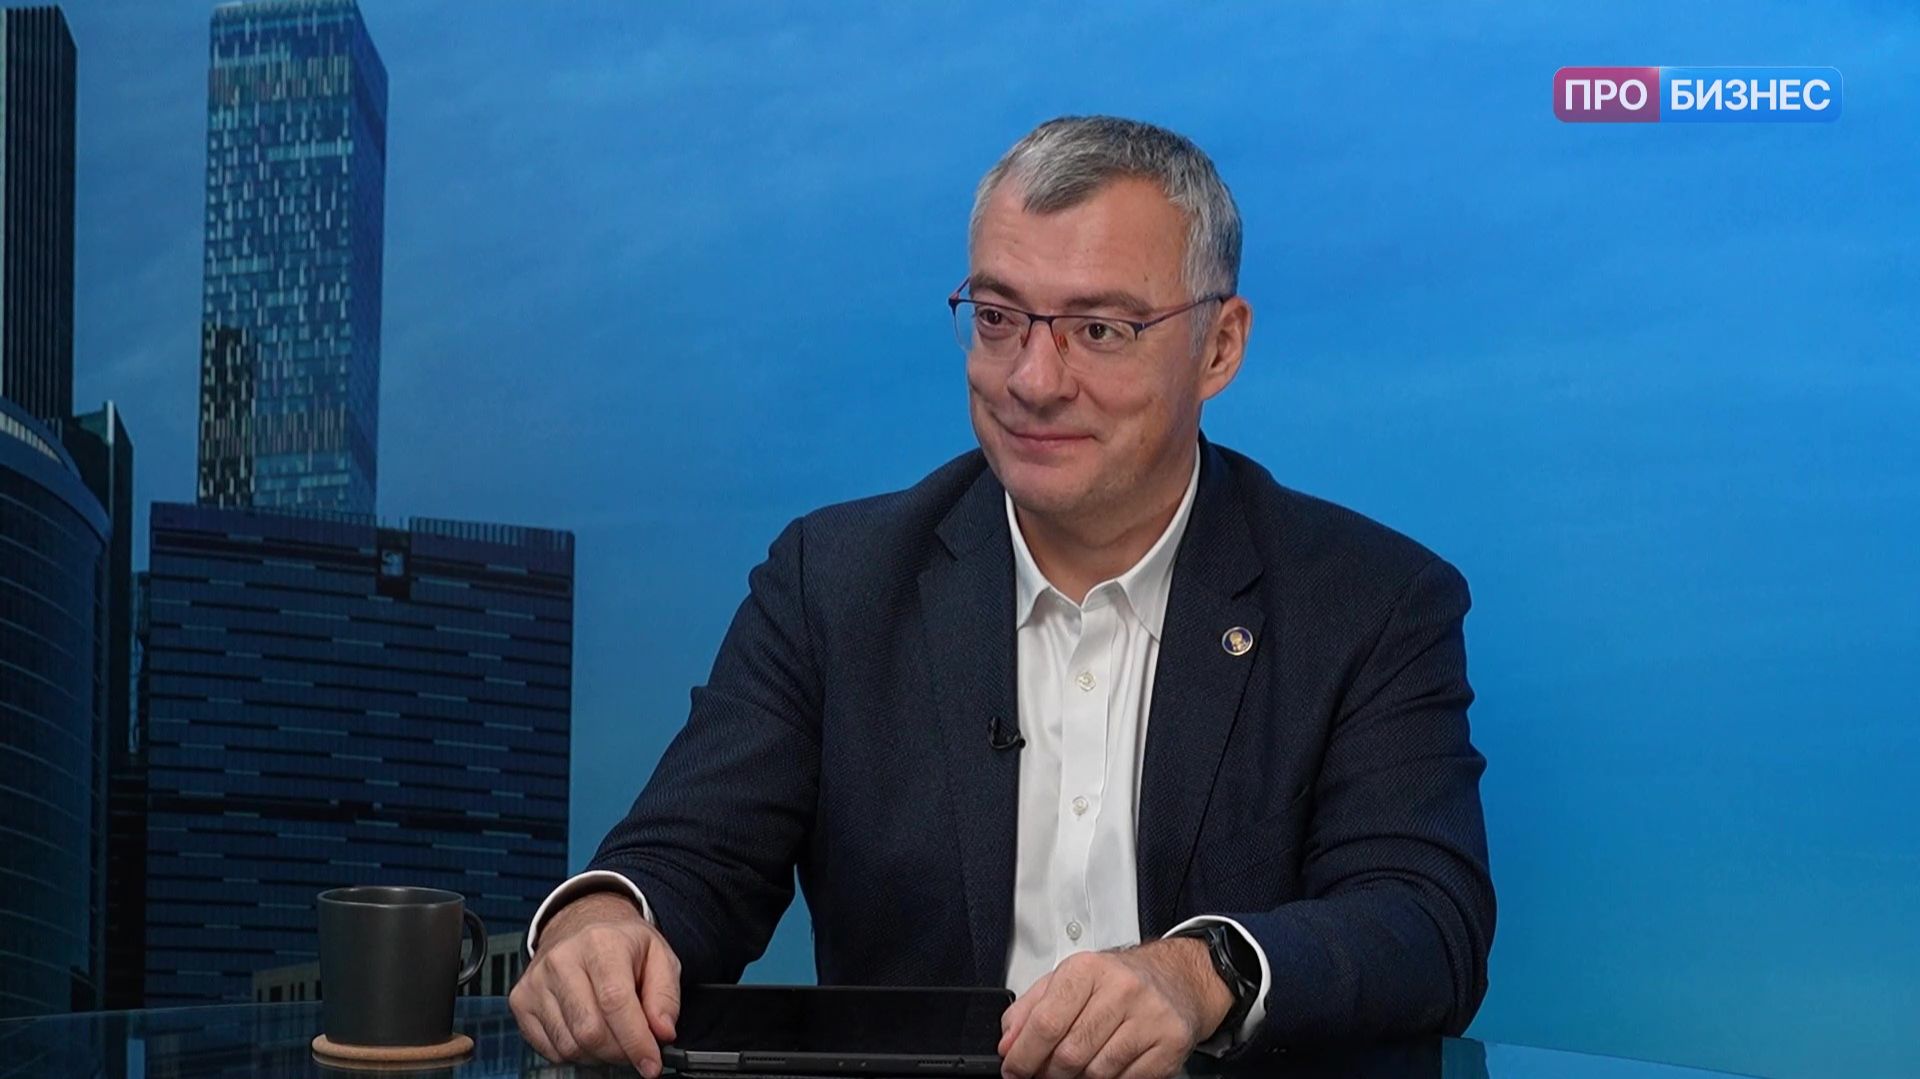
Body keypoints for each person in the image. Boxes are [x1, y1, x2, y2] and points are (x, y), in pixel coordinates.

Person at [508, 115, 1495, 1079]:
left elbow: (1423, 919)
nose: (1032, 378)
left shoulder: (1370, 602)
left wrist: (1203, 972)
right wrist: (602, 922)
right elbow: (688, 858)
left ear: (1219, 346)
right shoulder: (834, 582)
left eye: (1099, 329)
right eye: (997, 318)